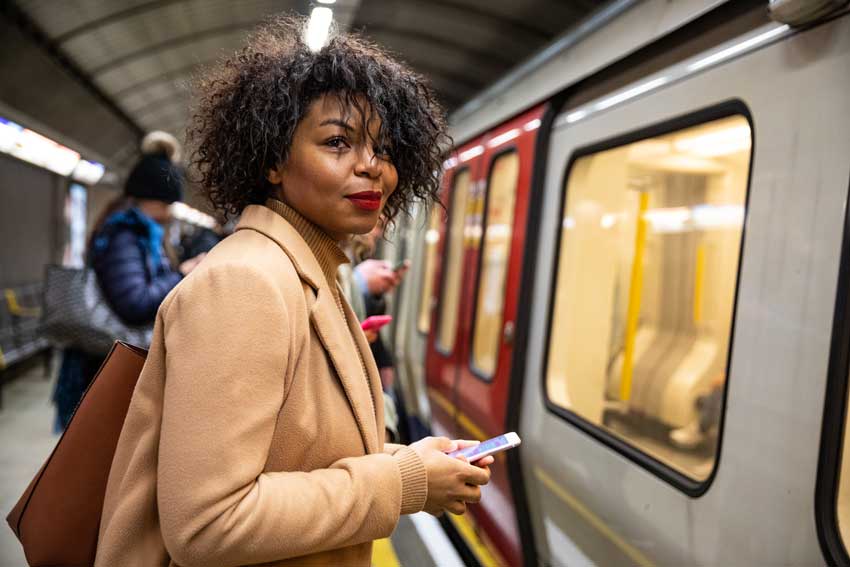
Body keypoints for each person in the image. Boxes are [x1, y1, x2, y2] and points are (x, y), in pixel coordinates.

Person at [95, 16, 492, 567]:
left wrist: (413, 461)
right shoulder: (245, 284)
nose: (371, 167)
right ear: (273, 161)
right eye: (337, 142)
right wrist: (401, 484)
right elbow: (209, 522)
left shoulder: (308, 272)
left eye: (383, 147)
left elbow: (296, 452)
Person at [52, 131, 204, 431]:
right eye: (166, 204)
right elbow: (134, 303)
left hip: (112, 360)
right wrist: (182, 274)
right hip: (103, 365)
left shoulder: (140, 234)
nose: (169, 213)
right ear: (152, 199)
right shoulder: (125, 235)